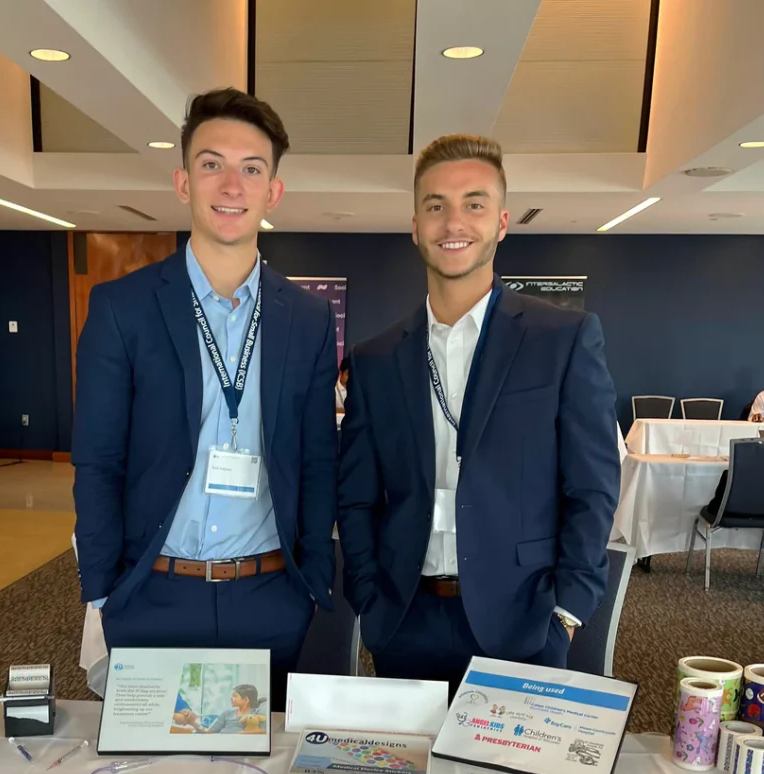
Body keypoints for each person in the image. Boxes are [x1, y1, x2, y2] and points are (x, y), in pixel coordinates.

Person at [72, 89, 338, 710]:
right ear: (183, 181)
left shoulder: (307, 318)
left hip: (270, 596)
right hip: (153, 593)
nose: (231, 184)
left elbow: (319, 459)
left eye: (252, 169)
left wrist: (312, 582)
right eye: (211, 163)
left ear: (273, 191)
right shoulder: (123, 309)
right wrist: (105, 589)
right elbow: (98, 460)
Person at [337, 133, 620, 687]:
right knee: (406, 773)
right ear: (416, 225)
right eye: (435, 206)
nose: (454, 222)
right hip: (404, 621)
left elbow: (593, 485)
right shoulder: (376, 358)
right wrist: (369, 596)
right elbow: (356, 497)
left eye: (474, 204)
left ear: (502, 222)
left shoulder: (562, 339)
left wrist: (567, 610)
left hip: (525, 624)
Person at [174, 683, 265, 734]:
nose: (231, 698)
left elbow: (265, 731)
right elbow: (209, 732)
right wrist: (193, 723)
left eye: (234, 696)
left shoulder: (257, 714)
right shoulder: (226, 714)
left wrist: (242, 735)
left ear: (245, 700)